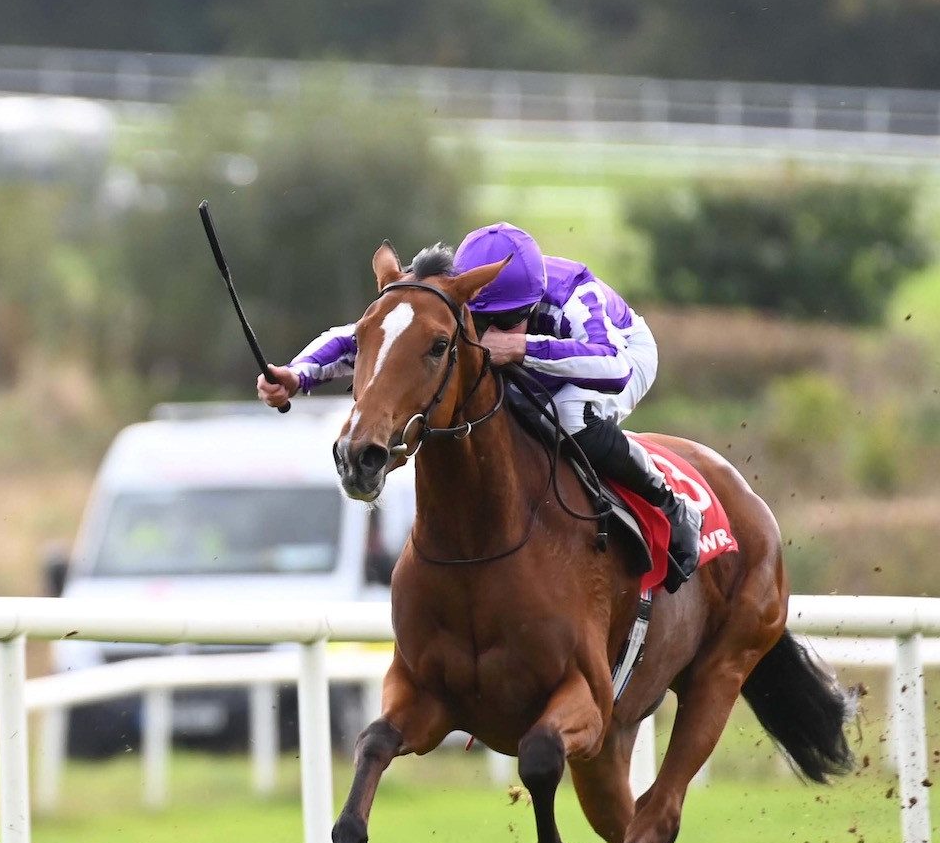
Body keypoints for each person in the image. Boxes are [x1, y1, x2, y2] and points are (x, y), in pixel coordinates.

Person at [257, 222, 704, 591]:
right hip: (556, 351)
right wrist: (298, 374)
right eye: (488, 320)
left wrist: (521, 345)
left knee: (566, 413)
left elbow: (614, 369)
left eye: (512, 317)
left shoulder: (574, 293)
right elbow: (378, 336)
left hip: (620, 353)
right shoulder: (450, 289)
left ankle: (667, 500)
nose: (499, 327)